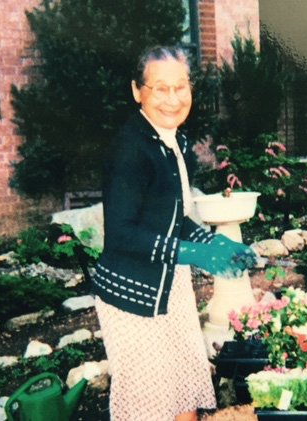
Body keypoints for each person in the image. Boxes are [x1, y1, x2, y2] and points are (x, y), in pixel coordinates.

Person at [93, 46, 257, 421]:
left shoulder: (173, 141)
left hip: (171, 286)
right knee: (151, 404)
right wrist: (194, 254)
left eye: (180, 87)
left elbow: (173, 218)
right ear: (138, 91)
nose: (172, 99)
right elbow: (122, 235)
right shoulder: (129, 149)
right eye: (160, 88)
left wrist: (213, 243)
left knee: (184, 386)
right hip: (135, 296)